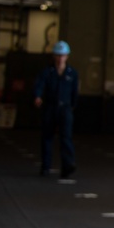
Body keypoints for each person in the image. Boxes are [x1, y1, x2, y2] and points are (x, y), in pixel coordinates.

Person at [34, 40, 79, 178]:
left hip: (65, 108)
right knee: (47, 137)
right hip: (50, 106)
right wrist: (38, 96)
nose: (60, 59)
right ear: (54, 56)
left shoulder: (72, 73)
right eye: (58, 56)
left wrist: (72, 106)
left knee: (66, 138)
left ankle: (67, 166)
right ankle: (46, 166)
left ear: (67, 56)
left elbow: (74, 92)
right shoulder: (48, 72)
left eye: (63, 56)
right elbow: (39, 85)